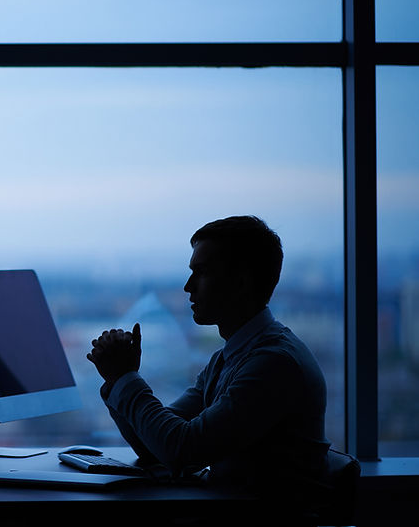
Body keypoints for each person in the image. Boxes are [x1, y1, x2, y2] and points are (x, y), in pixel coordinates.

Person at [87, 215, 330, 502]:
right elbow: (156, 447)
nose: (188, 286)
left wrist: (126, 378)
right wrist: (118, 380)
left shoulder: (275, 364)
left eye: (201, 272)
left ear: (241, 282)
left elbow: (182, 451)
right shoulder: (232, 357)